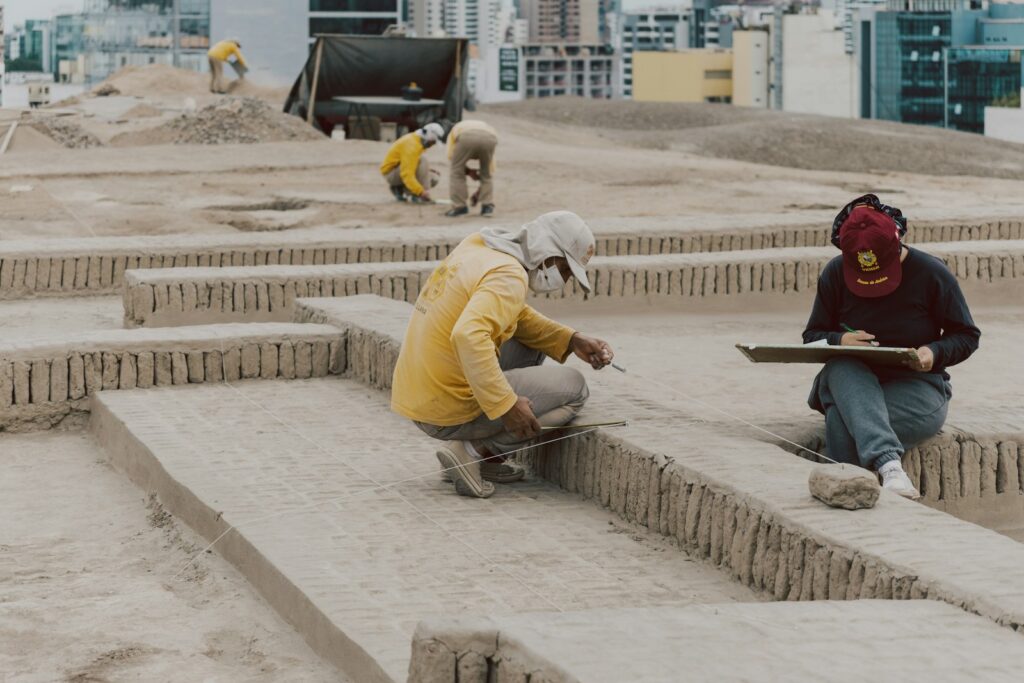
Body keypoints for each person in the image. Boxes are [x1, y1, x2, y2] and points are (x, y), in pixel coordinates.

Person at [391, 211, 614, 499]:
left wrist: (570, 340)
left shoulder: (479, 245)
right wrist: (505, 405)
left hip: (420, 393)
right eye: (566, 270)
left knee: (528, 338)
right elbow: (468, 335)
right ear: (548, 255)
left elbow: (513, 315)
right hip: (444, 408)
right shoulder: (509, 275)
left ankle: (474, 460)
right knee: (575, 388)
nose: (566, 279)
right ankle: (471, 453)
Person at [803, 195, 980, 499]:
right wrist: (839, 340)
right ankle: (889, 467)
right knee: (841, 367)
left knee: (843, 423)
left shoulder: (931, 274)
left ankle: (855, 483)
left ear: (895, 246)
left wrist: (933, 352)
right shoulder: (834, 273)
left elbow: (966, 335)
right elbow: (812, 336)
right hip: (851, 383)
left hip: (917, 390)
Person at [445, 119, 498, 218]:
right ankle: (487, 207)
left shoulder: (454, 130)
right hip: (491, 137)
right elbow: (490, 167)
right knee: (486, 174)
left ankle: (460, 207)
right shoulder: (481, 125)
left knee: (456, 173)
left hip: (466, 137)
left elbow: (452, 158)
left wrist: (467, 172)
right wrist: (481, 189)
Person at [380, 123, 444, 203]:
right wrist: (421, 192)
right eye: (433, 142)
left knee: (433, 177)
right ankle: (415, 194)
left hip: (396, 170)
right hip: (391, 174)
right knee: (423, 161)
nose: (432, 145)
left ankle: (400, 188)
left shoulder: (416, 140)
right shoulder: (412, 145)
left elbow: (411, 164)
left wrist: (427, 170)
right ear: (429, 137)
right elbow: (407, 174)